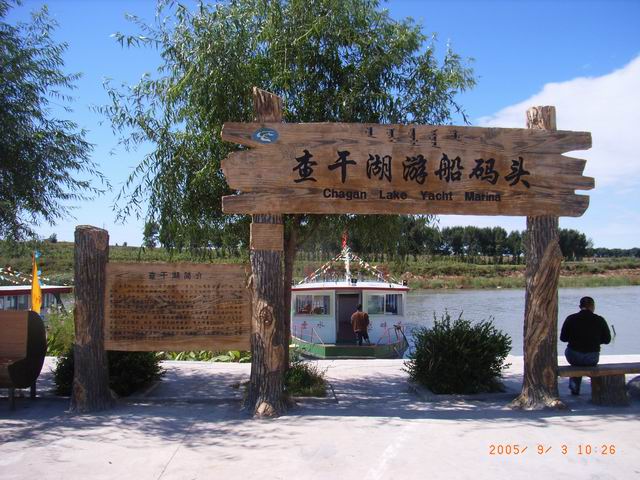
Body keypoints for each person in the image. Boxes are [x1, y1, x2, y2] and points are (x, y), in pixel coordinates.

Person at [560, 296, 611, 395]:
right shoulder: (599, 319)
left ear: (580, 306)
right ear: (593, 306)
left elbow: (563, 338)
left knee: (573, 357)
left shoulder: (571, 318)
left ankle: (574, 387)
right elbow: (607, 340)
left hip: (574, 357)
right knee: (587, 357)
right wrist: (595, 341)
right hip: (592, 358)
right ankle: (597, 389)